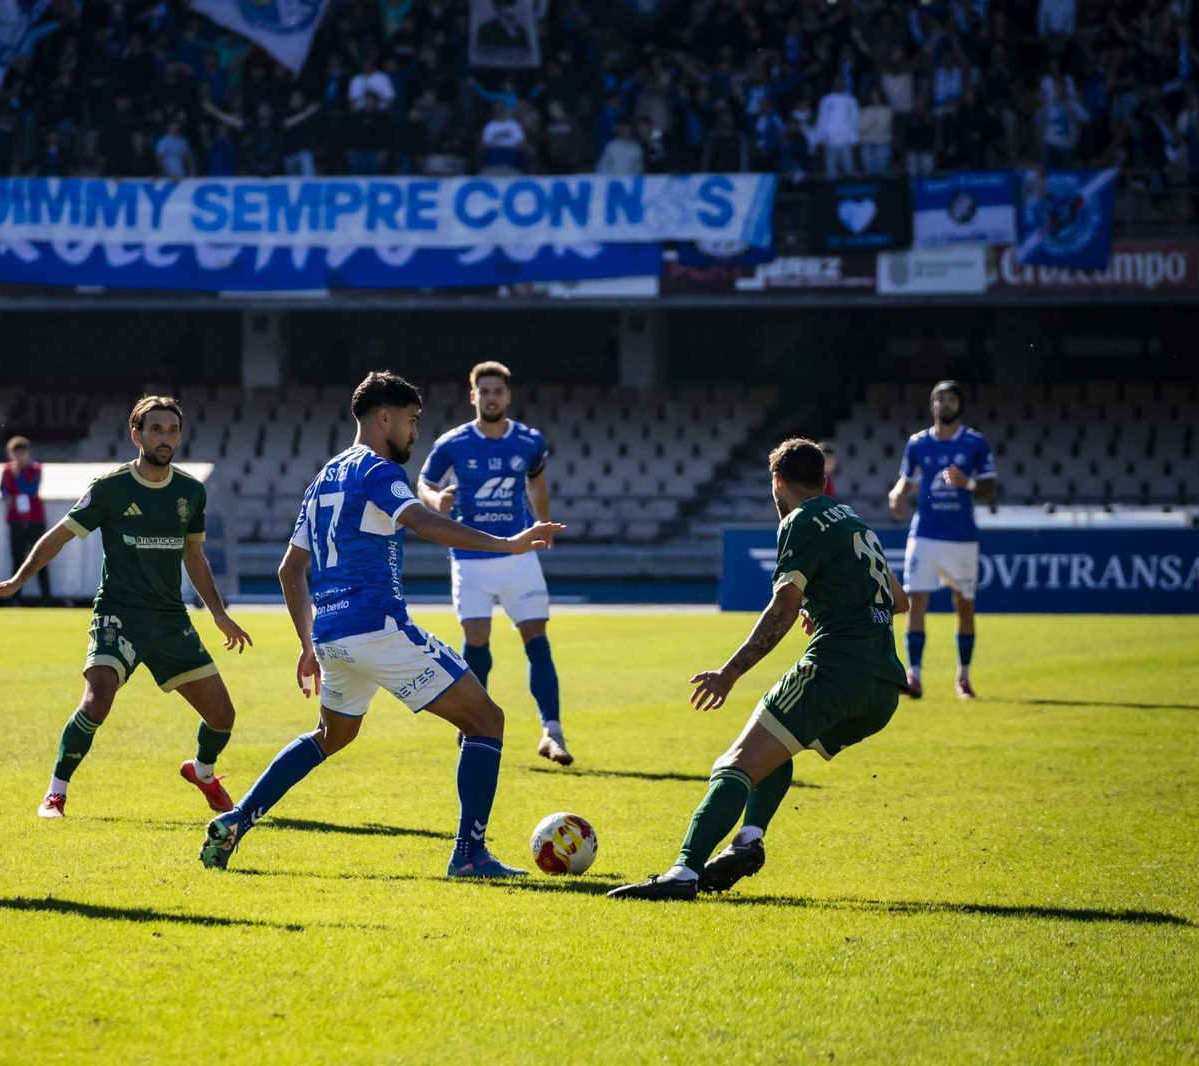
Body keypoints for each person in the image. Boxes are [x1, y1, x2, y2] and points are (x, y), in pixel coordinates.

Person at [198, 372, 563, 878]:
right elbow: (427, 523)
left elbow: (289, 570)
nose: (415, 433)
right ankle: (470, 856)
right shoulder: (379, 470)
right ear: (384, 418)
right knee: (487, 721)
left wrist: (308, 644)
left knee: (331, 735)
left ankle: (237, 819)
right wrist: (509, 544)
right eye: (412, 421)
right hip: (379, 627)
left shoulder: (324, 477)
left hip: (330, 634)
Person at [609, 439, 909, 902]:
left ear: (778, 483)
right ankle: (747, 841)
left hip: (835, 670)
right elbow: (900, 600)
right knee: (779, 747)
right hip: (883, 687)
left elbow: (782, 608)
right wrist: (827, 603)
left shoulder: (800, 520)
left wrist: (729, 672)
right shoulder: (853, 519)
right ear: (823, 479)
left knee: (733, 765)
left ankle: (683, 873)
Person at [0, 397, 253, 818]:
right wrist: (18, 581)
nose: (166, 438)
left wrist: (217, 612)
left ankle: (202, 772)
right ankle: (55, 793)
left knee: (223, 717)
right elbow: (59, 535)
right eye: (157, 429)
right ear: (137, 435)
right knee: (98, 699)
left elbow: (194, 557)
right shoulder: (109, 488)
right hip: (118, 613)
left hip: (169, 619)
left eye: (173, 430)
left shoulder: (190, 492)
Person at [417, 362, 569, 766]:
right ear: (473, 397)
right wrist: (436, 502)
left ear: (508, 396)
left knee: (537, 640)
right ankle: (472, 722)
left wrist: (542, 524)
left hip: (519, 556)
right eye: (483, 391)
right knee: (477, 640)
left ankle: (552, 732)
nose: (491, 397)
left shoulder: (529, 441)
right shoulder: (453, 443)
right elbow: (424, 483)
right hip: (471, 557)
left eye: (497, 391)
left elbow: (536, 481)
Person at [887, 382, 996, 701]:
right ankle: (914, 676)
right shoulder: (918, 443)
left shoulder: (975, 442)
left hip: (962, 538)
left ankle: (963, 677)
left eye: (951, 399)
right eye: (940, 400)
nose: (945, 405)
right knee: (915, 601)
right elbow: (906, 481)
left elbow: (990, 488)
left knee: (964, 606)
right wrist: (896, 494)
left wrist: (968, 483)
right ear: (932, 406)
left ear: (960, 405)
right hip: (925, 535)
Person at [0, 436, 50, 602]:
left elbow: (32, 490)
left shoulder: (35, 469)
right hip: (16, 518)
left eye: (23, 453)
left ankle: (46, 597)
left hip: (35, 518)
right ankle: (15, 597)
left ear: (28, 453)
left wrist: (18, 475)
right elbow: (3, 489)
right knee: (17, 558)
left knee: (40, 557)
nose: (20, 457)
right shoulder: (6, 470)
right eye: (16, 453)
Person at [816, 75, 859, 177]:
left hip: (846, 142)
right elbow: (822, 120)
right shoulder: (826, 100)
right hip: (829, 142)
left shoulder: (851, 100)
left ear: (844, 83)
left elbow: (854, 120)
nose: (839, 84)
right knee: (831, 174)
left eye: (841, 82)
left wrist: (854, 139)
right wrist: (820, 138)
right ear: (833, 84)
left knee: (849, 172)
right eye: (837, 82)